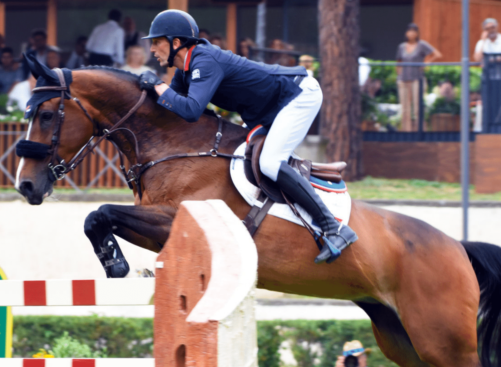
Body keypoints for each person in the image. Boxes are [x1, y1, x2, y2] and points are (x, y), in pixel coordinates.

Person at [140, 9, 357, 264]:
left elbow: (190, 111)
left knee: (269, 163)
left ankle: (334, 227)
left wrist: (157, 86)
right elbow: (173, 109)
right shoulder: (184, 71)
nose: (152, 49)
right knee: (242, 157)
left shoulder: (204, 60)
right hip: (266, 110)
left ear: (176, 43)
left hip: (297, 95)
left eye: (156, 42)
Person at [395, 23, 441, 131]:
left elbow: (437, 54)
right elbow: (398, 62)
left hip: (417, 79)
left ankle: (419, 131)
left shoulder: (422, 45)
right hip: (404, 79)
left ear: (417, 33)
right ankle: (406, 131)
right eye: (409, 31)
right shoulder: (401, 47)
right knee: (405, 108)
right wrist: (399, 76)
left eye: (413, 31)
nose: (411, 33)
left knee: (417, 107)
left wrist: (427, 63)